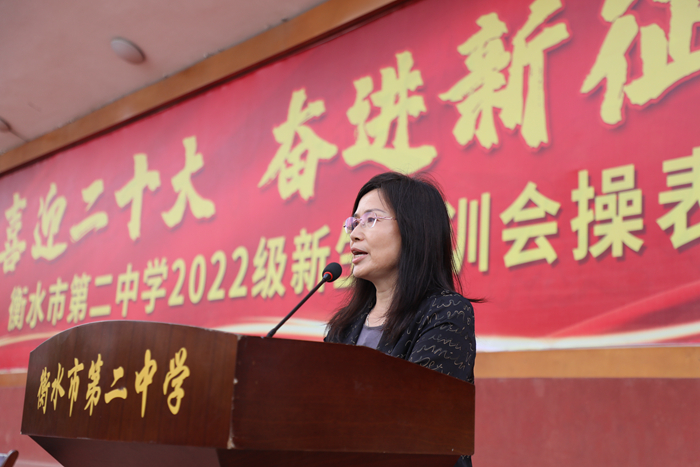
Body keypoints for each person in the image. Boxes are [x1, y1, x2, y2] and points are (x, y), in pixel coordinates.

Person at [324, 171, 477, 467]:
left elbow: (420, 423)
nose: (354, 233)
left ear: (413, 229)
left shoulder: (446, 313)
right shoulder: (343, 328)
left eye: (370, 219)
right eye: (354, 222)